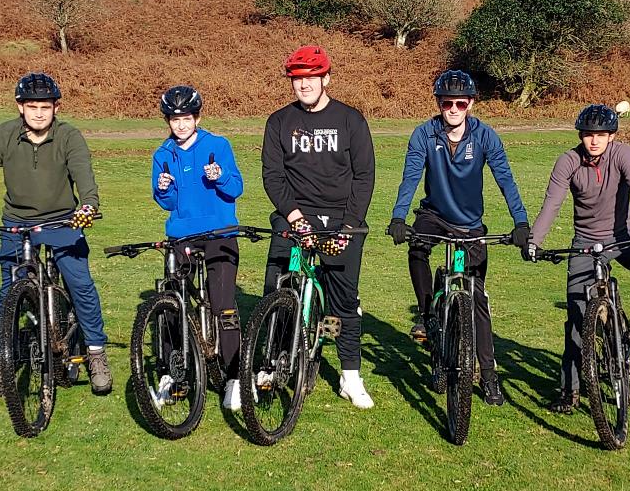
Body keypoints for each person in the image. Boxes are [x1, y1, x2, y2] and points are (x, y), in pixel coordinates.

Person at [0, 72, 112, 397]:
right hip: (17, 224)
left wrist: (88, 207)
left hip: (63, 222)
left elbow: (84, 178)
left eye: (46, 107)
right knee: (8, 293)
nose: (39, 113)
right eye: (32, 106)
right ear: (20, 107)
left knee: (80, 284)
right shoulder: (3, 135)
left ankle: (96, 353)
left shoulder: (69, 136)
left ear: (56, 107)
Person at [386, 69, 529, 405]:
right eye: (447, 102)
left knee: (477, 299)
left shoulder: (485, 137)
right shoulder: (424, 134)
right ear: (438, 103)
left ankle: (489, 376)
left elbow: (505, 179)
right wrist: (398, 216)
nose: (453, 108)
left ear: (471, 104)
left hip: (469, 224)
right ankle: (427, 315)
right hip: (433, 215)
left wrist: (521, 222)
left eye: (460, 103)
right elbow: (409, 178)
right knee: (417, 248)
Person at [524, 104, 630, 413]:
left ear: (611, 136)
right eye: (589, 135)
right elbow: (552, 204)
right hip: (585, 243)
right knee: (577, 316)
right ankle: (570, 391)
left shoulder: (623, 155)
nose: (594, 141)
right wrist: (535, 242)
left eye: (601, 135)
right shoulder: (568, 161)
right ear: (581, 135)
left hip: (624, 237)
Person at [260, 45, 376, 408]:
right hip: (294, 216)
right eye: (297, 79)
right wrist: (295, 216)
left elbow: (364, 176)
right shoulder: (279, 122)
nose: (304, 85)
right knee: (277, 289)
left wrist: (349, 224)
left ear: (325, 78)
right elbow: (273, 175)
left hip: (341, 219)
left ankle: (349, 374)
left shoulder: (350, 120)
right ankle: (270, 361)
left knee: (341, 301)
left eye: (311, 77)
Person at [147, 84, 246, 411]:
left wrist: (218, 177)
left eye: (186, 118)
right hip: (182, 235)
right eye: (174, 119)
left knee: (223, 305)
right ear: (167, 121)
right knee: (172, 303)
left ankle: (234, 378)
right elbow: (168, 203)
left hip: (219, 232)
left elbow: (236, 188)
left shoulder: (218, 145)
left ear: (197, 117)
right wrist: (164, 190)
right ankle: (172, 374)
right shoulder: (162, 154)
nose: (181, 125)